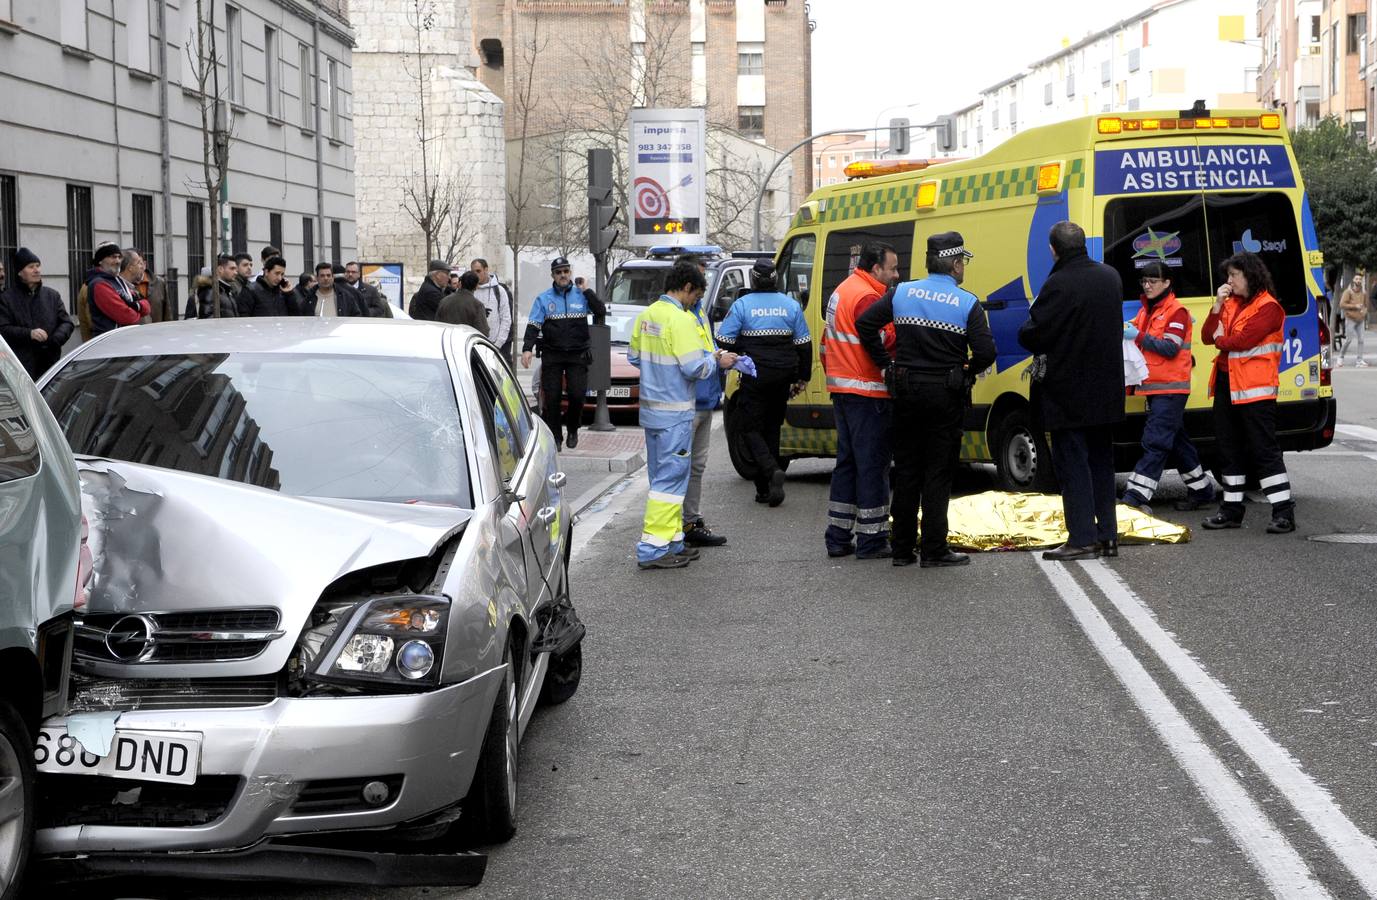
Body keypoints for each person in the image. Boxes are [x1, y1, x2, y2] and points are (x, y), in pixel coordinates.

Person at [856, 232, 996, 568]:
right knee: (938, 471)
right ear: (955, 264)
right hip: (945, 395)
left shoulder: (901, 292)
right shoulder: (966, 303)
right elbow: (986, 352)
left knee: (907, 470)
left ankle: (902, 548)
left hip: (905, 391)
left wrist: (886, 364)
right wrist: (967, 370)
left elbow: (865, 324)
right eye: (963, 262)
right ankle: (934, 549)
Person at [1017, 221, 1126, 561]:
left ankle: (1082, 538)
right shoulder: (1110, 276)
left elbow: (1035, 333)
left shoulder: (1058, 283)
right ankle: (1108, 536)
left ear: (1054, 249)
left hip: (1069, 391)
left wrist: (1026, 331)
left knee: (1073, 464)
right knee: (1102, 463)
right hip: (1106, 388)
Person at [627, 261, 737, 570]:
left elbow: (635, 357)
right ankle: (653, 548)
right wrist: (715, 360)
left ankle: (673, 541)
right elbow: (695, 368)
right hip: (675, 413)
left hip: (652, 412)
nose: (695, 302)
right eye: (696, 295)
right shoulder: (682, 320)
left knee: (662, 480)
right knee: (670, 483)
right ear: (687, 288)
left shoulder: (647, 316)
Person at [1200, 252, 1296, 534]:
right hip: (1227, 385)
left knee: (1264, 451)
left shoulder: (1269, 307)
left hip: (1256, 392)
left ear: (1250, 275)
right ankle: (1231, 512)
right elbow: (1206, 336)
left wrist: (1220, 339)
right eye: (1228, 275)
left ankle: (1284, 513)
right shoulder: (1229, 303)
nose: (1229, 281)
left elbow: (1242, 340)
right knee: (1227, 450)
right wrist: (1217, 306)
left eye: (1234, 275)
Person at [821, 241, 902, 559]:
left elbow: (826, 343)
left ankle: (838, 537)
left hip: (843, 389)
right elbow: (884, 339)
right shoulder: (867, 297)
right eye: (892, 268)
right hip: (868, 391)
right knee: (872, 466)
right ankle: (872, 539)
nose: (896, 275)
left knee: (848, 464)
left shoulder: (843, 290)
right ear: (876, 268)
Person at [1119, 261, 1216, 513]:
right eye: (1144, 281)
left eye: (1153, 281)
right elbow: (1135, 330)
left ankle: (1135, 496)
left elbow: (1170, 348)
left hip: (1170, 390)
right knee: (1177, 442)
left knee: (1155, 441)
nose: (1147, 285)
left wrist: (1137, 335)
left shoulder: (1176, 312)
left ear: (1167, 283)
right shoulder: (1147, 311)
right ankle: (1202, 490)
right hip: (1157, 389)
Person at [714, 258, 812, 507]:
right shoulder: (791, 305)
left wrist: (744, 347)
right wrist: (803, 377)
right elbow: (804, 345)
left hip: (755, 375)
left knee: (749, 428)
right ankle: (767, 490)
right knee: (771, 429)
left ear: (754, 280)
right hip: (783, 376)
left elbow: (723, 340)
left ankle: (770, 471)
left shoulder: (742, 305)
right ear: (776, 279)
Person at [521, 256, 606, 450]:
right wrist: (527, 349)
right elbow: (533, 325)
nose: (563, 275)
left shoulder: (581, 295)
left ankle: (573, 428)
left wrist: (587, 291)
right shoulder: (544, 299)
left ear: (570, 273)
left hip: (578, 354)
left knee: (577, 395)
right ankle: (556, 436)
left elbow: (600, 311)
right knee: (552, 399)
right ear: (553, 275)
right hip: (553, 354)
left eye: (566, 271)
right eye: (558, 272)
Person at [681, 269, 728, 548]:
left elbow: (705, 348)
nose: (703, 288)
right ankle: (679, 526)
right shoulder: (680, 314)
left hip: (706, 397)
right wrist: (715, 360)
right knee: (680, 467)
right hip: (687, 401)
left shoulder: (698, 310)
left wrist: (721, 358)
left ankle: (691, 521)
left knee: (697, 466)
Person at [0, 247, 75, 380]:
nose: (37, 270)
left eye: (38, 266)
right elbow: (3, 329)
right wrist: (29, 334)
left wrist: (55, 340)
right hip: (22, 369)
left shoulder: (52, 295)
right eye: (31, 267)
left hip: (51, 365)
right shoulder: (7, 298)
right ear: (20, 272)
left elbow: (66, 323)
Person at [88, 242, 149, 336]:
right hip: (109, 340)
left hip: (123, 338)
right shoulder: (99, 284)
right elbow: (127, 317)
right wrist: (138, 310)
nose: (117, 261)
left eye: (119, 257)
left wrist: (137, 306)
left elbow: (147, 306)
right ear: (100, 260)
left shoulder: (117, 280)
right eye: (113, 257)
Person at [472, 258, 513, 354]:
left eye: (478, 271)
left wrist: (498, 344)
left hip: (496, 345)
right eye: (473, 272)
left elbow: (506, 318)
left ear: (486, 270)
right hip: (474, 345)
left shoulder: (499, 290)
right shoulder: (470, 290)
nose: (475, 274)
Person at [298, 261, 365, 317]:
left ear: (333, 277)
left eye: (328, 275)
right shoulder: (309, 297)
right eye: (322, 276)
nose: (326, 278)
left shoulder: (345, 296)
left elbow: (356, 316)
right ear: (317, 278)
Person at [1337, 274, 1369, 367]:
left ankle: (1359, 360)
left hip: (1360, 320)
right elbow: (1342, 304)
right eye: (1357, 279)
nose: (1358, 280)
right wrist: (1355, 306)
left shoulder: (1364, 292)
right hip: (1350, 319)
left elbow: (1366, 305)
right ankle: (1340, 358)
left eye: (1360, 279)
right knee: (1349, 340)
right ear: (1353, 280)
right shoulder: (1348, 292)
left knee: (1361, 340)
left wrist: (1364, 312)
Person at [196, 254, 241, 318]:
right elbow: (207, 317)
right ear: (220, 269)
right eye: (232, 268)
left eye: (236, 269)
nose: (235, 272)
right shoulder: (210, 290)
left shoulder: (226, 291)